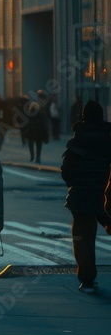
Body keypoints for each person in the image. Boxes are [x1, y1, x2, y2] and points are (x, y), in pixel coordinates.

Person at [60, 100, 111, 293]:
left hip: (81, 196)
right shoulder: (108, 140)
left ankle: (87, 279)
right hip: (106, 194)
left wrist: (77, 182)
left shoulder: (76, 142)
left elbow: (67, 172)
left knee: (83, 241)